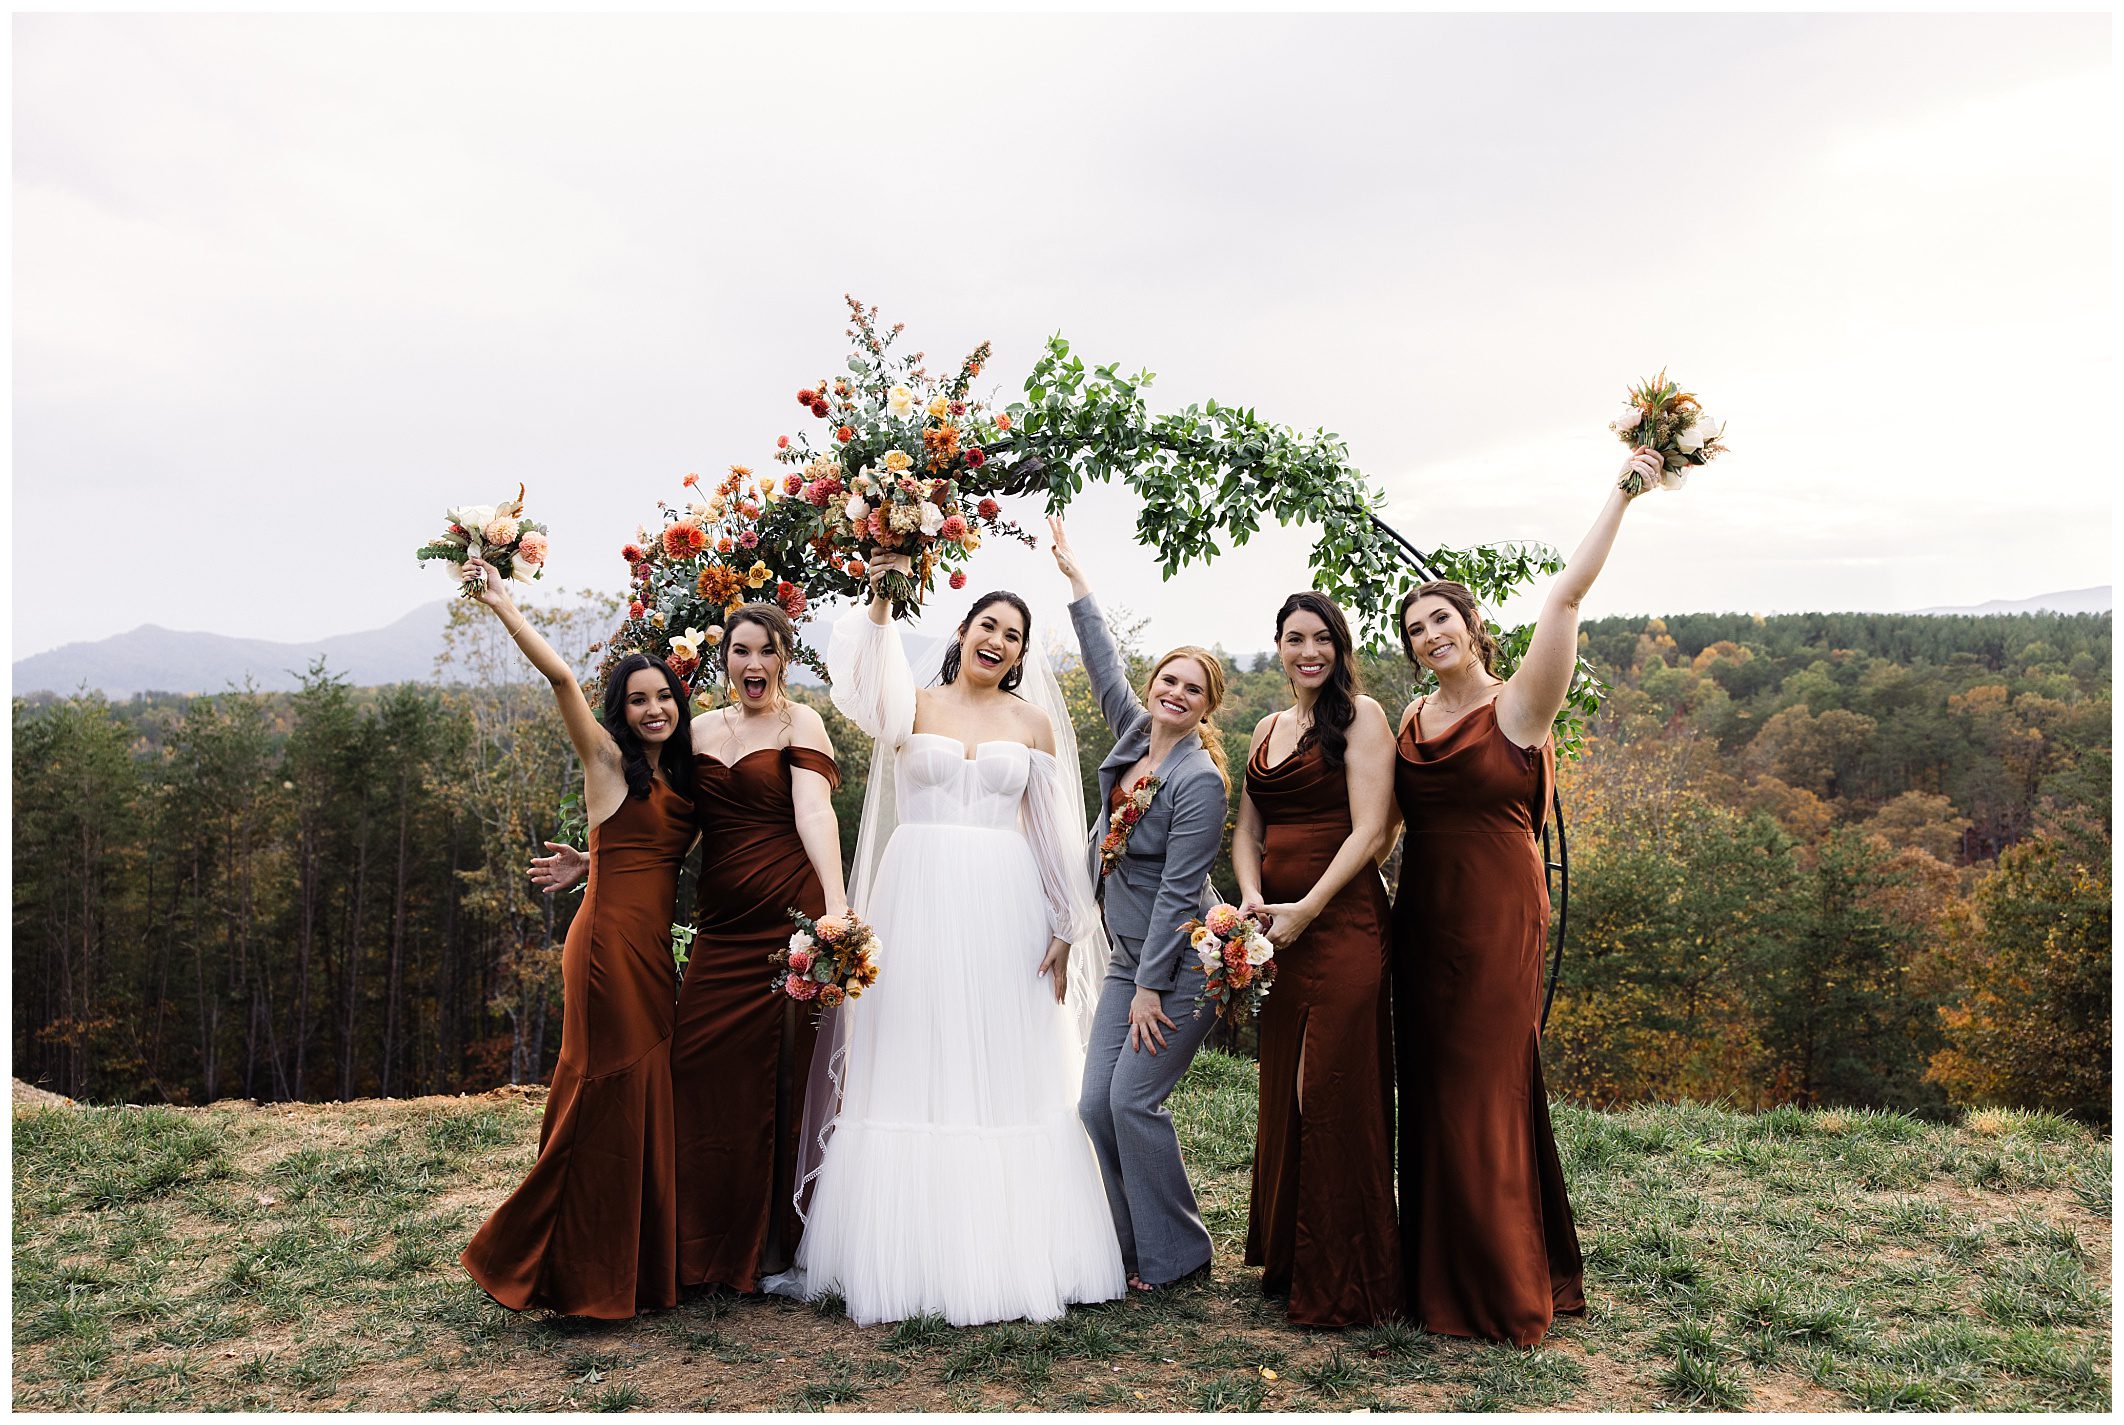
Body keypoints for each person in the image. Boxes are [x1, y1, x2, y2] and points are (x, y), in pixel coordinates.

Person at [775, 555, 1125, 1326]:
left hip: (1007, 902)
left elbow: (1049, 829)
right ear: (962, 633)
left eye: (1013, 635)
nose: (997, 640)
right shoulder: (914, 704)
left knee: (1004, 1055)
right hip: (919, 893)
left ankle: (1013, 1252)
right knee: (915, 1048)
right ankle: (909, 1255)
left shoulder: (1030, 723)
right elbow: (865, 685)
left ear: (1021, 655)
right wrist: (879, 600)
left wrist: (1068, 925)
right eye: (987, 626)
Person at [1386, 446, 1659, 1346]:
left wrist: (1621, 494)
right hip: (1421, 915)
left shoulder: (1519, 707)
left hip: (1498, 916)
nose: (1431, 635)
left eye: (1443, 618)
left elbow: (1566, 598)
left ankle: (1498, 1287)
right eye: (1416, 628)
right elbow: (1382, 830)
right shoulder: (1409, 719)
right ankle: (1435, 1272)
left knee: (1482, 1083)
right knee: (1431, 1085)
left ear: (1472, 624)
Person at [534, 602, 847, 1293]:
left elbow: (812, 813)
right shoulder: (700, 729)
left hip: (790, 916)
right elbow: (666, 817)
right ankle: (699, 1244)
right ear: (723, 660)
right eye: (740, 650)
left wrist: (838, 909)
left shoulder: (802, 723)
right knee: (695, 1068)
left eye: (767, 650)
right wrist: (596, 860)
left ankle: (777, 1246)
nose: (754, 663)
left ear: (785, 657)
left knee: (785, 1077)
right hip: (724, 924)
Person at [458, 554, 694, 1319]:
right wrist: (502, 604)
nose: (654, 709)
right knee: (602, 1092)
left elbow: (647, 855)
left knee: (645, 1092)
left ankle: (639, 1269)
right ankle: (539, 1261)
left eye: (664, 696)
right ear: (620, 712)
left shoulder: (685, 781)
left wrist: (592, 857)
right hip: (602, 951)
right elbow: (562, 679)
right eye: (638, 700)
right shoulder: (606, 762)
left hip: (652, 953)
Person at [1050, 517, 1230, 1294]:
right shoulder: (1131, 736)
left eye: (1193, 687)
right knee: (1095, 1105)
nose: (1175, 692)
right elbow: (1102, 670)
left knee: (1133, 1100)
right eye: (1169, 678)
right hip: (1129, 960)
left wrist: (1153, 986)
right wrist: (1078, 581)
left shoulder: (1201, 782)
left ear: (1206, 706)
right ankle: (1128, 1247)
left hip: (1180, 962)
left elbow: (1181, 893)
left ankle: (1178, 1255)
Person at [1233, 591, 1404, 1328]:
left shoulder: (1361, 718)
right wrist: (1250, 897)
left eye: (1322, 638)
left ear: (1340, 646)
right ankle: (1294, 1258)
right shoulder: (1267, 728)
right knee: (1285, 1089)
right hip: (1278, 932)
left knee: (1328, 1086)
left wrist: (1308, 907)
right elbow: (1248, 828)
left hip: (1343, 923)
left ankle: (1348, 1274)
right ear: (1278, 645)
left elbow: (1371, 831)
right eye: (1296, 638)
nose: (1310, 651)